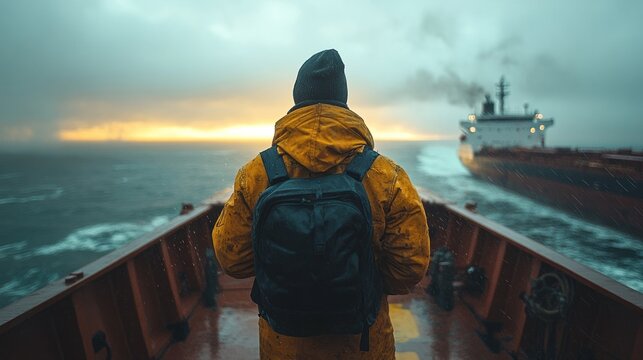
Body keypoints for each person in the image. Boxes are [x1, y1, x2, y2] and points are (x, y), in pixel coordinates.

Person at [213, 49, 430, 359]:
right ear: (343, 99)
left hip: (284, 343)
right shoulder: (386, 175)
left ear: (297, 97)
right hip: (362, 343)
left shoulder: (257, 173)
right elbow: (409, 267)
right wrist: (356, 279)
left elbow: (233, 261)